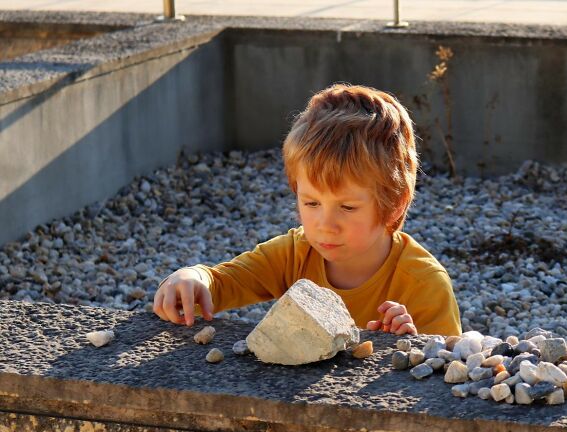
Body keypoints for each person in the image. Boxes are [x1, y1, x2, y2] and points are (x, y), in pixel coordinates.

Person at [152, 83, 462, 336]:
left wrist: (407, 345)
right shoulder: (296, 254)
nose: (325, 224)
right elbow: (222, 282)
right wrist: (190, 278)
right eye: (311, 203)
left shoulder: (423, 284)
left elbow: (447, 374)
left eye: (348, 207)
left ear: (394, 205)